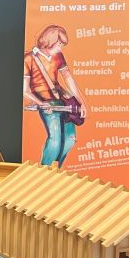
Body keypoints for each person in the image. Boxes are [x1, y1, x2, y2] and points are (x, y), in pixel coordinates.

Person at [23, 24, 87, 167]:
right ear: (49, 41)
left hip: (64, 101)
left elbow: (68, 78)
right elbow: (25, 90)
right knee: (55, 140)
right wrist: (40, 104)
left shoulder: (58, 56)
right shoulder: (29, 59)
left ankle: (56, 171)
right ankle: (44, 172)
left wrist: (81, 102)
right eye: (59, 44)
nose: (61, 48)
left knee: (70, 139)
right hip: (47, 103)